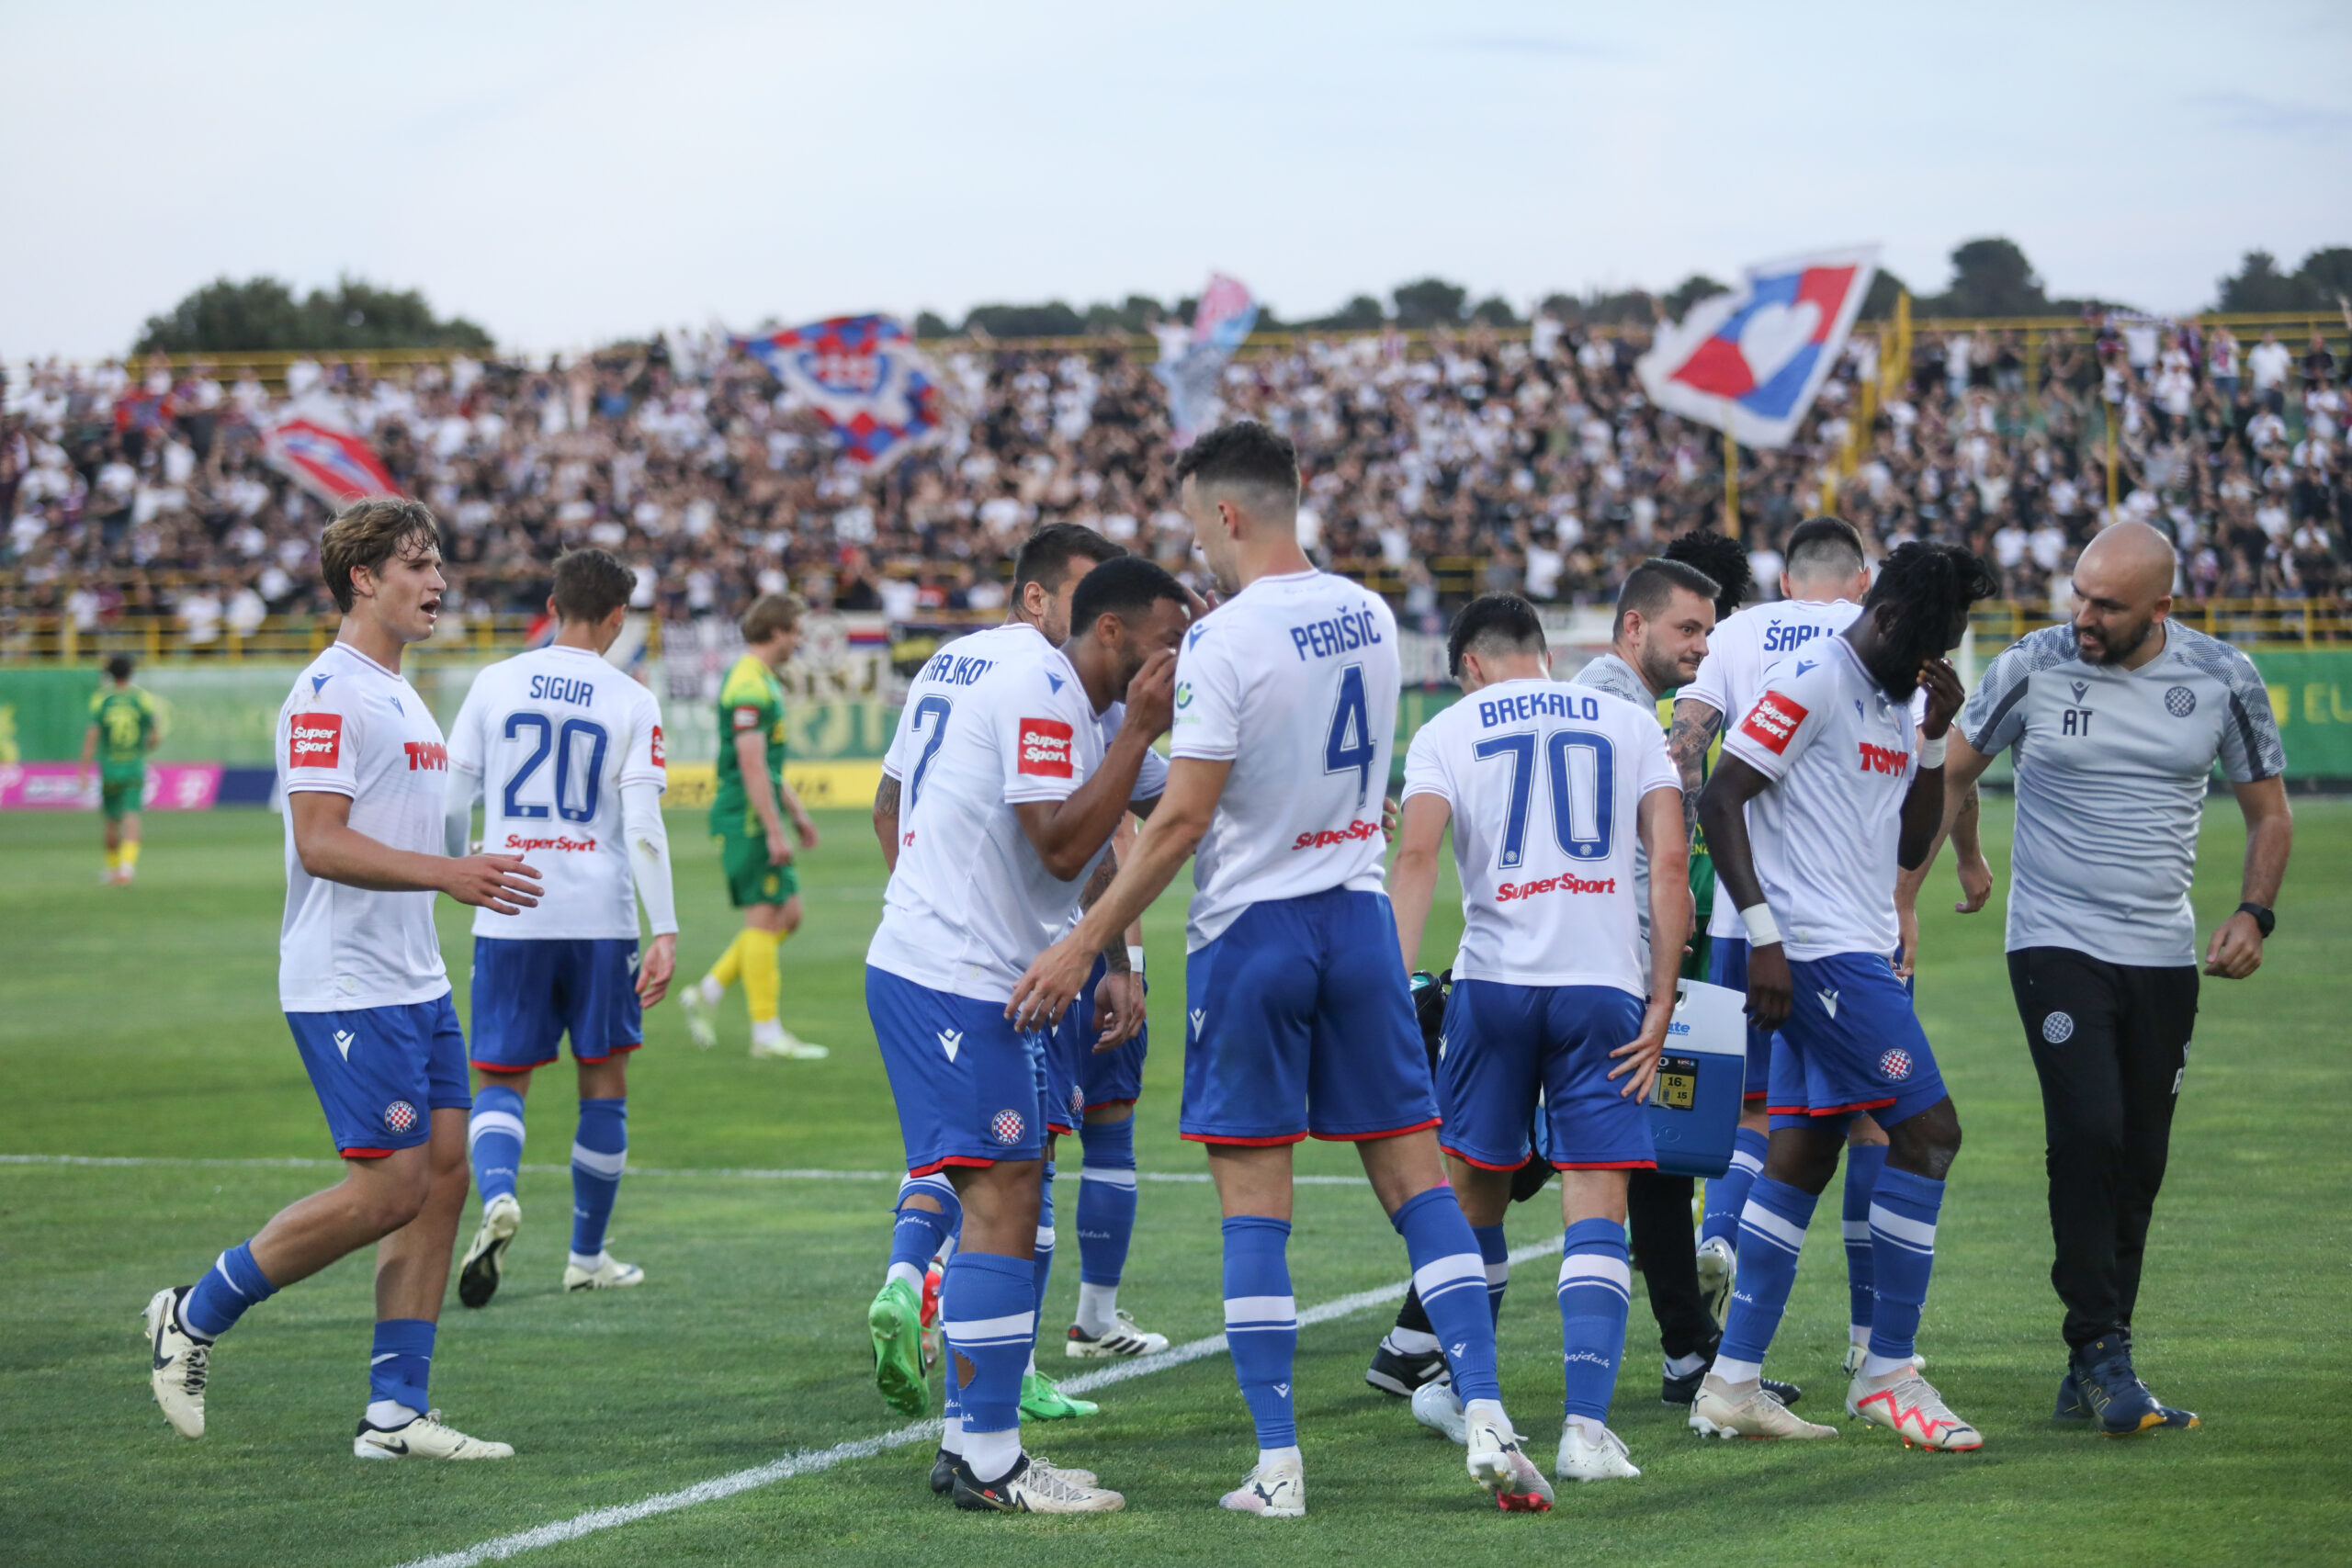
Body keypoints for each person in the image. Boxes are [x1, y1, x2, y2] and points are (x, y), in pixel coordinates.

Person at [1010, 420, 1555, 1516]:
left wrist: (1083, 939)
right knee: (1418, 1183)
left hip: (1252, 934)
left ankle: (1277, 1468)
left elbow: (1181, 823)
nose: (1191, 547)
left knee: (1255, 1206)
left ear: (1225, 513)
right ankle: (1487, 1412)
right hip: (1354, 920)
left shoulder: (1224, 639)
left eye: (1190, 522)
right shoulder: (1370, 610)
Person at [142, 498, 543, 1459]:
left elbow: (394, 832)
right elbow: (319, 843)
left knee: (443, 1180)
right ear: (362, 577)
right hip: (346, 982)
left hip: (413, 976)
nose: (437, 581)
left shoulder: (402, 690)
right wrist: (450, 873)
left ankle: (395, 1414)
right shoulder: (329, 692)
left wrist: (458, 861)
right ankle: (192, 1313)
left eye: (438, 563)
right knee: (386, 1191)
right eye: (416, 565)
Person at [1937, 520, 2290, 1433]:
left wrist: (2253, 912)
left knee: (2139, 1158)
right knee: (2088, 1129)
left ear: (2160, 609)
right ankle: (2100, 1350)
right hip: (2053, 940)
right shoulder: (2032, 666)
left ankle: (2096, 1356)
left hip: (2164, 955)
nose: (2082, 617)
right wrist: (1953, 870)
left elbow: (2268, 814)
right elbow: (1947, 772)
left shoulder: (2223, 678)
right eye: (2079, 595)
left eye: (2106, 605)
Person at [865, 552, 1188, 1513]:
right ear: (1113, 635)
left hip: (958, 968)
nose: (1179, 662)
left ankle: (972, 1444)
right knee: (1004, 1199)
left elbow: (1137, 814)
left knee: (1005, 1195)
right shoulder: (1046, 688)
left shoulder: (1002, 669)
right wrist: (1137, 729)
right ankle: (991, 1461)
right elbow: (1059, 839)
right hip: (961, 978)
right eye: (1168, 642)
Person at [1690, 540, 1998, 1450]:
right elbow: (1720, 797)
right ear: (1893, 617)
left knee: (1802, 1155)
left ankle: (1732, 1383)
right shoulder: (1814, 678)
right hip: (1815, 957)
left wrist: (1934, 736)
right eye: (1938, 637)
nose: (1941, 657)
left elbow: (1908, 844)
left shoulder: (1892, 696)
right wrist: (1767, 937)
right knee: (1930, 1130)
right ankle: (1887, 1371)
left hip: (1854, 944)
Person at [1384, 592, 1687, 1483]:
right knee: (1597, 1201)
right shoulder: (1630, 723)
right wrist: (1662, 997)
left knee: (1469, 1199)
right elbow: (1666, 863)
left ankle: (1478, 1407)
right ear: (1542, 652)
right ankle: (1586, 1432)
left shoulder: (1445, 729)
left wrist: (1392, 998)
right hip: (1602, 985)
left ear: (1468, 663)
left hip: (1493, 984)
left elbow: (1414, 860)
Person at [1669, 516, 1903, 1372]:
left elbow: (1685, 752)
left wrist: (1681, 874)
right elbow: (1932, 775)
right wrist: (1930, 883)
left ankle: (1720, 1233)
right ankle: (1870, 1341)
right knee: (1880, 1120)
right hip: (1847, 922)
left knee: (1756, 1108)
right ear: (1862, 578)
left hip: (1745, 916)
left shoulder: (1734, 633)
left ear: (1785, 578)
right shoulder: (1868, 637)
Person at [444, 548, 679, 1308]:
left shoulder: (493, 682)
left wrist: (459, 865)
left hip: (508, 904)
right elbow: (643, 825)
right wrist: (665, 927)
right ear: (616, 617)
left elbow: (453, 800)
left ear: (551, 605)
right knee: (602, 1082)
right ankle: (586, 1254)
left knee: (501, 1078)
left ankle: (501, 1195)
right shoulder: (631, 698)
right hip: (598, 917)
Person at [678, 593, 826, 1060]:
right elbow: (751, 764)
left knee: (790, 914)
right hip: (745, 813)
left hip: (753, 810)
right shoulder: (748, 684)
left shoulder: (759, 679)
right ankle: (766, 1033)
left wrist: (796, 812)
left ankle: (709, 990)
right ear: (777, 631)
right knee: (765, 917)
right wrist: (774, 829)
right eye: (795, 631)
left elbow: (768, 765)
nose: (798, 640)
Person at [81, 651, 161, 884]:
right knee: (132, 817)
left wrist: (83, 769)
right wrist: (143, 747)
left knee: (111, 821)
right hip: (134, 766)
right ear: (131, 672)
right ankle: (126, 869)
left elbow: (92, 735)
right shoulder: (142, 698)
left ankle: (112, 868)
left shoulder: (101, 699)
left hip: (111, 767)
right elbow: (156, 735)